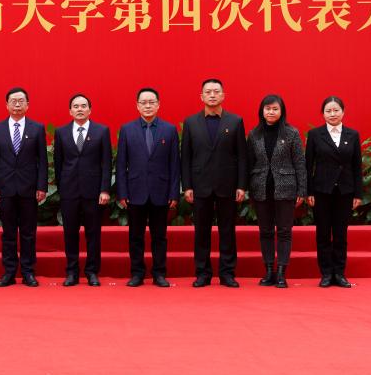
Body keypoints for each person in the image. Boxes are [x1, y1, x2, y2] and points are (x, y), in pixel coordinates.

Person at [182, 79, 248, 288]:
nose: (212, 95)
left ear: (223, 95)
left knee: (227, 231)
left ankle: (227, 273)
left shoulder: (235, 121)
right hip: (200, 185)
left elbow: (242, 156)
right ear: (201, 96)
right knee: (201, 232)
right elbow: (186, 157)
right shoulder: (191, 122)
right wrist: (187, 186)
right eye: (208, 92)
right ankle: (203, 273)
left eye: (216, 91)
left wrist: (241, 185)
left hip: (227, 185)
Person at [116, 87, 180, 287]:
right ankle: (137, 273)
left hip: (161, 191)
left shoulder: (169, 130)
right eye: (143, 102)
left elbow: (174, 165)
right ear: (137, 106)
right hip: (135, 191)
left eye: (152, 102)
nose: (148, 106)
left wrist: (174, 193)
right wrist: (122, 192)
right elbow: (121, 164)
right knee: (135, 236)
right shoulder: (127, 130)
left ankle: (159, 273)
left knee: (159, 236)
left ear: (158, 105)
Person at [0, 87, 48, 287]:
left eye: (21, 101)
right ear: (6, 105)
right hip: (5, 189)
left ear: (28, 105)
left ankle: (28, 272)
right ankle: (9, 272)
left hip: (29, 189)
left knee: (29, 233)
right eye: (13, 101)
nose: (17, 104)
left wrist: (41, 187)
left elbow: (42, 161)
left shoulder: (37, 128)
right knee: (8, 233)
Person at [246, 95, 307, 288]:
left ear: (281, 111)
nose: (271, 112)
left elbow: (300, 163)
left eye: (275, 109)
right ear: (262, 111)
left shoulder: (291, 133)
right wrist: (247, 189)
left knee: (284, 231)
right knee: (265, 231)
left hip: (286, 188)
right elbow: (249, 163)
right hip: (261, 188)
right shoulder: (254, 134)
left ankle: (281, 272)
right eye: (267, 109)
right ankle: (268, 271)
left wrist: (302, 190)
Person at [53, 94, 111, 287]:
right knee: (70, 233)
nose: (80, 109)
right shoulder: (61, 132)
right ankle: (72, 272)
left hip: (93, 192)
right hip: (69, 191)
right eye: (76, 106)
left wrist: (104, 189)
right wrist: (62, 188)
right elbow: (59, 163)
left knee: (93, 234)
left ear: (90, 110)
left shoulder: (101, 131)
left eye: (83, 106)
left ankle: (92, 272)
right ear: (70, 111)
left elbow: (106, 163)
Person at [305, 96, 362, 288]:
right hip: (321, 191)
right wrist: (309, 191)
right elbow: (308, 166)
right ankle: (326, 274)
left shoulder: (352, 135)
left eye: (336, 110)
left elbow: (357, 166)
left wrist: (358, 193)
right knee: (322, 233)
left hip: (345, 191)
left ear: (343, 112)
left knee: (340, 234)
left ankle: (339, 273)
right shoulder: (315, 134)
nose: (332, 114)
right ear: (322, 114)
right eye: (328, 111)